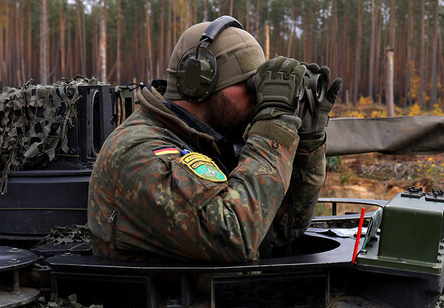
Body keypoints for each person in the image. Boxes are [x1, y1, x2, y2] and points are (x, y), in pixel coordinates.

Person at [86, 16, 342, 262]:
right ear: (201, 83)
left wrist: (307, 140)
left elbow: (281, 227)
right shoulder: (142, 154)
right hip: (168, 294)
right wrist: (273, 128)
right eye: (250, 84)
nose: (258, 97)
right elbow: (235, 237)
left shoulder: (205, 140)